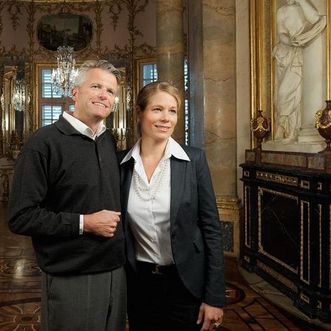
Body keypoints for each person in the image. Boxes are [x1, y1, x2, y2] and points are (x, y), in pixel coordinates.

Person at [8, 60, 127, 331]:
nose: (103, 95)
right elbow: (21, 217)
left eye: (110, 91)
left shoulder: (109, 141)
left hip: (115, 270)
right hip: (71, 273)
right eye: (95, 86)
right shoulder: (44, 142)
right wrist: (85, 223)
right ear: (75, 92)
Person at [119, 81, 225, 331]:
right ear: (139, 112)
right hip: (139, 284)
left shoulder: (194, 160)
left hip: (186, 283)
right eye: (157, 109)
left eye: (173, 111)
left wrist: (214, 297)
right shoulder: (121, 164)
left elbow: (211, 229)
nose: (166, 118)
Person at [273, 0, 326, 142]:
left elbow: (316, 19)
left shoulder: (304, 7)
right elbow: (281, 33)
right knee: (282, 94)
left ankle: (290, 130)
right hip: (287, 53)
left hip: (301, 54)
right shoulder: (282, 11)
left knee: (291, 93)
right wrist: (290, 41)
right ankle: (285, 126)